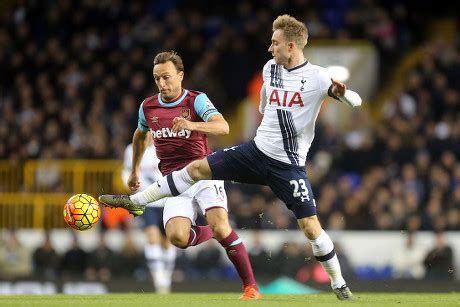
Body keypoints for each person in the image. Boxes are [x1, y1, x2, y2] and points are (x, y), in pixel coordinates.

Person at [100, 15, 361, 300]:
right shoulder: (270, 68)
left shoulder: (319, 77)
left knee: (311, 228)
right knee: (197, 167)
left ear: (290, 45)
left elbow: (356, 102)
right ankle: (135, 202)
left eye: (274, 43)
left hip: (289, 166)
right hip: (256, 151)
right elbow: (264, 99)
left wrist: (343, 95)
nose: (269, 48)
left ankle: (339, 283)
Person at [101, 51, 260, 300]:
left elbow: (223, 126)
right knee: (177, 238)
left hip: (204, 174)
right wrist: (133, 170)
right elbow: (139, 136)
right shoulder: (148, 107)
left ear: (180, 75)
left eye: (166, 77)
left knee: (221, 227)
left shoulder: (196, 100)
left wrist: (192, 124)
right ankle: (215, 229)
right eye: (157, 79)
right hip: (173, 182)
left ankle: (250, 287)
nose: (162, 84)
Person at [122, 141, 177, 293]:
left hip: (168, 200)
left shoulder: (168, 144)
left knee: (169, 241)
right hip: (147, 201)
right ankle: (159, 282)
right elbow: (126, 171)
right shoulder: (132, 148)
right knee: (153, 238)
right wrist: (131, 185)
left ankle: (167, 278)